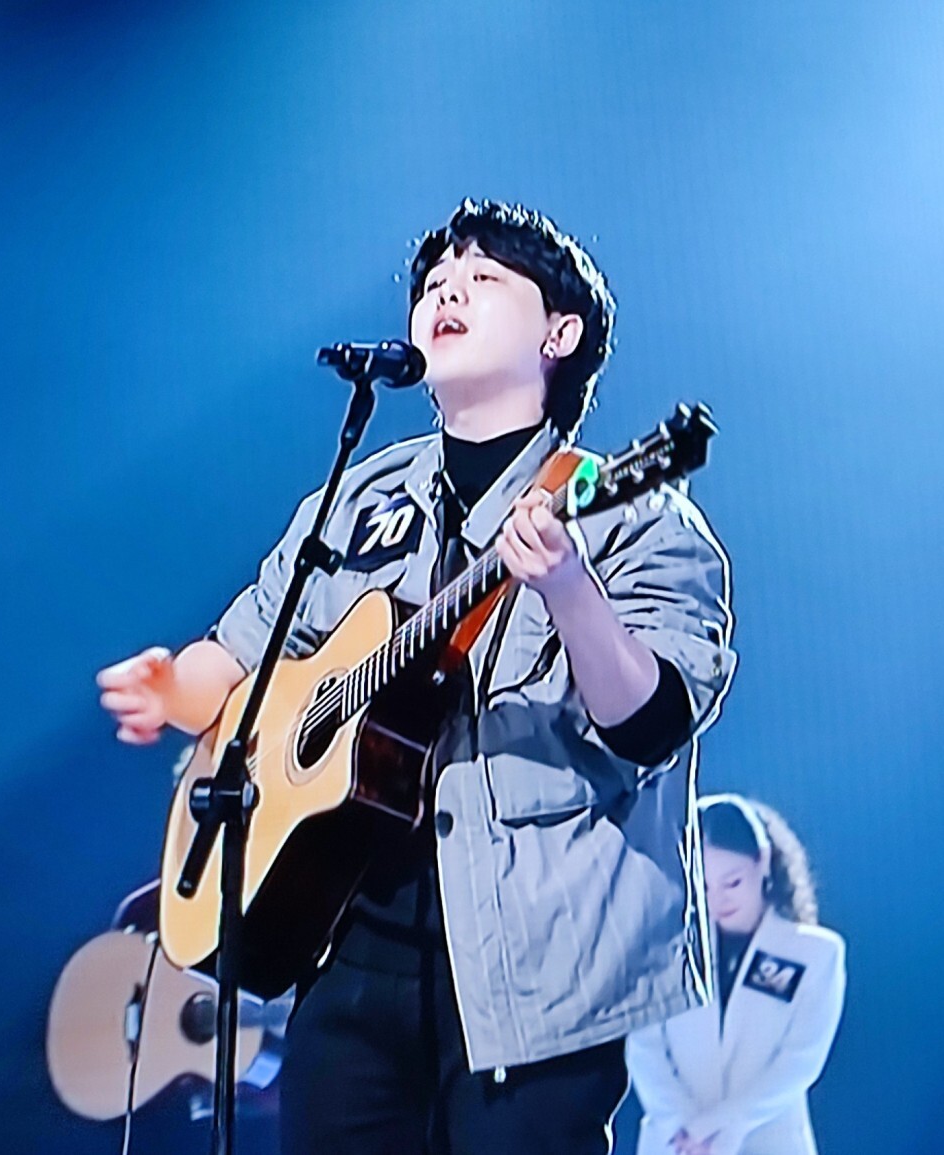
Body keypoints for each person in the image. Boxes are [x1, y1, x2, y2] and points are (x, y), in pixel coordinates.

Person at [97, 198, 736, 1155]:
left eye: (484, 279)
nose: (447, 293)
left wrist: (568, 586)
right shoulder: (355, 500)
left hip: (539, 980)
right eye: (436, 282)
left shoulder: (636, 516)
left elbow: (650, 723)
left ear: (560, 334)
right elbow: (235, 661)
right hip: (346, 949)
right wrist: (170, 690)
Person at [626, 794, 846, 1155]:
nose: (719, 900)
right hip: (678, 1143)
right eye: (704, 887)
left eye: (732, 883)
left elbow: (801, 1059)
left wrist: (725, 1124)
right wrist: (686, 1127)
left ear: (763, 861)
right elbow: (644, 1047)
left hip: (770, 1142)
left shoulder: (815, 954)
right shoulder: (660, 945)